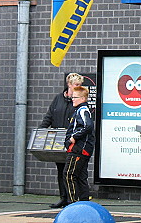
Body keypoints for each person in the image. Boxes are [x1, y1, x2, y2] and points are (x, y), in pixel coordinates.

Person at [39, 72, 84, 209]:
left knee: (71, 172)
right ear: (69, 84)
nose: (78, 87)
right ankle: (63, 198)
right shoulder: (58, 99)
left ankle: (73, 199)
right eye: (76, 85)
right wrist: (41, 131)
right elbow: (49, 116)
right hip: (58, 140)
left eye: (80, 85)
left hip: (72, 141)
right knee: (60, 171)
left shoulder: (78, 101)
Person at [63, 85, 95, 204]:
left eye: (75, 97)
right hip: (82, 149)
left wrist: (73, 137)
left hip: (79, 149)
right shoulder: (81, 110)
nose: (72, 99)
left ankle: (73, 203)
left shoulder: (82, 111)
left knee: (69, 174)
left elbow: (88, 126)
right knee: (81, 177)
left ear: (82, 99)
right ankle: (84, 202)